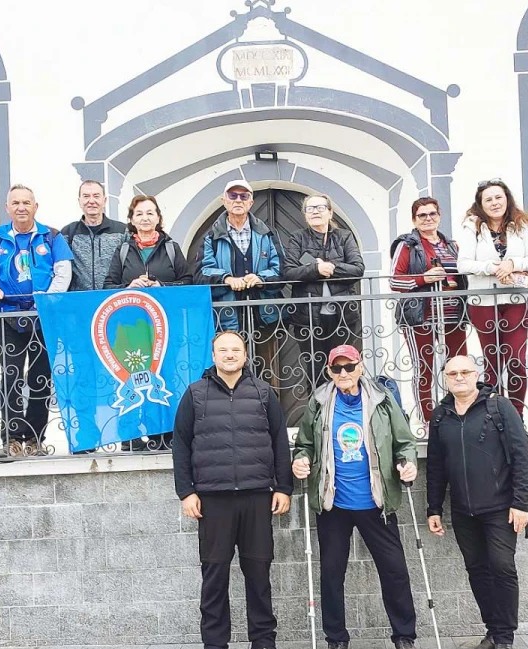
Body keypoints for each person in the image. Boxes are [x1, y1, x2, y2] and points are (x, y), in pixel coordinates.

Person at [172, 330, 294, 649]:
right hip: (213, 499)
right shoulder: (195, 395)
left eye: (235, 349)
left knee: (258, 573)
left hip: (258, 496)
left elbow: (279, 442)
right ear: (213, 355)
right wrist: (187, 492)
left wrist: (283, 487)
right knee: (214, 575)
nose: (229, 355)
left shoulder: (263, 392)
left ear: (245, 354)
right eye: (223, 350)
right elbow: (180, 446)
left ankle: (264, 645)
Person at [292, 344, 423, 649]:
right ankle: (336, 640)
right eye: (337, 369)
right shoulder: (320, 402)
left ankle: (404, 636)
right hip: (333, 502)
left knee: (394, 571)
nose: (344, 374)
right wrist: (301, 460)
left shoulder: (381, 400)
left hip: (377, 502)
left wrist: (407, 463)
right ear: (329, 372)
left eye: (349, 367)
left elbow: (404, 441)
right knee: (332, 574)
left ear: (360, 366)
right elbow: (304, 444)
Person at [426, 355, 528, 649]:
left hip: (501, 508)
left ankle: (505, 640)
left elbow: (521, 456)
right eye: (452, 373)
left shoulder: (499, 408)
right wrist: (434, 507)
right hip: (463, 511)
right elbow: (435, 467)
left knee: (502, 568)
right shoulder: (441, 415)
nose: (459, 377)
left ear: (477, 375)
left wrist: (521, 503)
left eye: (464, 372)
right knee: (477, 570)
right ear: (445, 378)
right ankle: (492, 629)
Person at [0, 184, 72, 458]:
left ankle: (34, 438)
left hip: (44, 318)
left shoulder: (51, 236)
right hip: (10, 317)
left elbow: (62, 272)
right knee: (11, 377)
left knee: (40, 378)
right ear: (8, 208)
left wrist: (49, 299)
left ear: (35, 207)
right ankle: (11, 439)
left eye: (26, 203)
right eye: (15, 203)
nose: (21, 207)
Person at [104, 195, 193, 451]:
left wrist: (161, 286)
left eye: (150, 213)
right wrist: (129, 286)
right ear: (132, 219)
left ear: (158, 217)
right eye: (140, 213)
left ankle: (162, 435)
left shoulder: (171, 248)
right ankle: (130, 437)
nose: (145, 218)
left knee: (162, 377)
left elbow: (188, 281)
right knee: (130, 377)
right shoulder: (122, 251)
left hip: (163, 328)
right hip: (129, 329)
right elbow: (108, 286)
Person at [457, 179, 528, 416]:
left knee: (516, 361)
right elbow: (464, 264)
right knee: (492, 362)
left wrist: (513, 264)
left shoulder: (520, 224)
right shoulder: (472, 226)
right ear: (481, 204)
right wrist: (494, 268)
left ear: (507, 199)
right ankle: (494, 415)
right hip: (483, 302)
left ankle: (516, 414)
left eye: (498, 197)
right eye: (489, 199)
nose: (495, 203)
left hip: (515, 300)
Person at [390, 197, 469, 424]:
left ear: (439, 216)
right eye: (422, 215)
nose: (428, 218)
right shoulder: (408, 245)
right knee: (424, 368)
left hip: (454, 315)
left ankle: (459, 414)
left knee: (458, 367)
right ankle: (428, 421)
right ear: (414, 219)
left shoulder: (452, 245)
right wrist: (424, 278)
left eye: (432, 213)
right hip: (420, 316)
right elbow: (395, 281)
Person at [197, 180, 285, 376]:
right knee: (228, 369)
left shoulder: (267, 234)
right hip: (226, 316)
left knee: (267, 372)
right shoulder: (211, 237)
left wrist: (261, 278)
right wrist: (226, 278)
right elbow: (202, 273)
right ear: (224, 200)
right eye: (233, 196)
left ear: (251, 202)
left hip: (263, 315)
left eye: (244, 196)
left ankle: (265, 407)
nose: (238, 200)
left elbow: (281, 270)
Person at [282, 194, 365, 391]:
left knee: (342, 366)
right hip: (308, 318)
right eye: (310, 209)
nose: (315, 212)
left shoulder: (344, 236)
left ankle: (342, 412)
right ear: (305, 215)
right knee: (315, 371)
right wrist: (314, 269)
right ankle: (318, 416)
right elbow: (289, 272)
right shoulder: (298, 238)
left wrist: (331, 268)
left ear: (330, 212)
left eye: (320, 207)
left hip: (343, 315)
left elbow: (358, 268)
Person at [61, 180, 127, 292]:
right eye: (86, 196)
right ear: (79, 201)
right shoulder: (68, 232)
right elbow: (61, 270)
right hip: (80, 301)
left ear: (104, 200)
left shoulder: (122, 231)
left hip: (114, 300)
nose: (91, 201)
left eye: (96, 196)